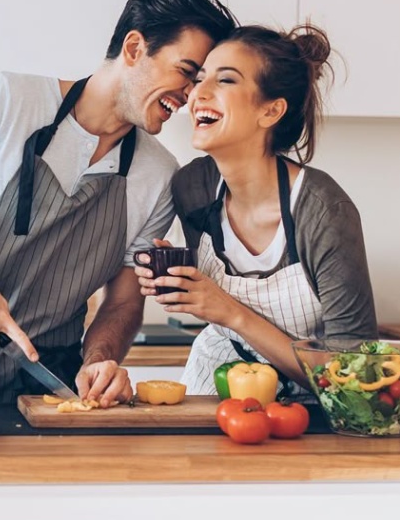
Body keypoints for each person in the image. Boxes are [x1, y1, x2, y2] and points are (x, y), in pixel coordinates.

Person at [0, 0, 237, 406]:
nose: (193, 95)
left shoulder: (158, 174)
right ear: (135, 48)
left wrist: (99, 360)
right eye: (187, 73)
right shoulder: (7, 100)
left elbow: (122, 301)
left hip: (55, 377)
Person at [135, 23, 378, 399]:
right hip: (214, 384)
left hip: (311, 406)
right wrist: (177, 282)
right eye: (199, 79)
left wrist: (228, 310)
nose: (199, 92)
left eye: (226, 80)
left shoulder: (323, 211)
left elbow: (355, 375)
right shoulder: (192, 186)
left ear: (271, 111)